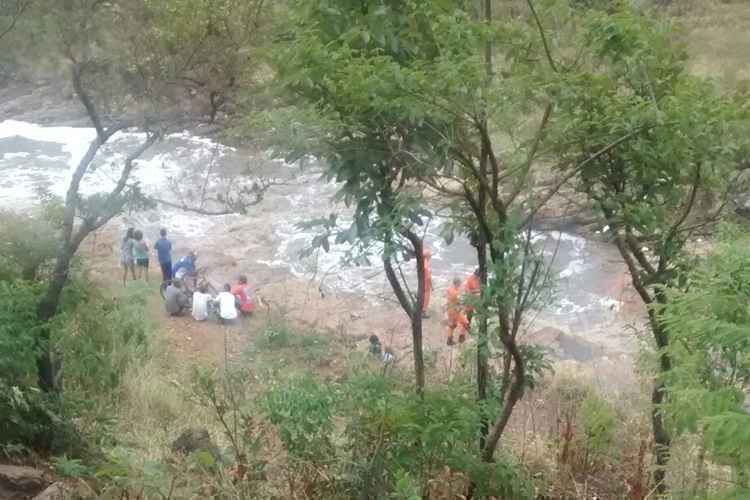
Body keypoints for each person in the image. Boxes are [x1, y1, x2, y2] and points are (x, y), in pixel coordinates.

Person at [446, 277, 468, 346]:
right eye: (459, 284)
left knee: (452, 325)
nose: (460, 285)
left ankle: (449, 340)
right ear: (457, 283)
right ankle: (461, 337)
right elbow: (460, 301)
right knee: (465, 322)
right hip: (455, 311)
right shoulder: (455, 293)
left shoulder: (450, 289)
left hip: (450, 310)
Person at [422, 248, 433, 318]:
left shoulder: (422, 262)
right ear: (427, 256)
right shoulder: (426, 265)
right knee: (426, 299)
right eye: (430, 255)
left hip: (422, 284)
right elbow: (428, 278)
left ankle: (421, 309)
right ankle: (423, 312)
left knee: (422, 297)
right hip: (426, 285)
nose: (431, 257)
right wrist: (432, 286)